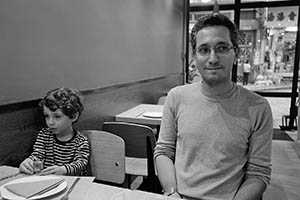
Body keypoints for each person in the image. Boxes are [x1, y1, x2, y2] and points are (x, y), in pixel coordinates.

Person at [154, 13, 272, 200]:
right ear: (194, 55)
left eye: (222, 48)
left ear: (236, 52)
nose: (213, 58)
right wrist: (172, 193)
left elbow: (259, 172)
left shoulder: (258, 107)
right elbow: (163, 152)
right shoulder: (176, 97)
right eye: (204, 50)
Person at [19, 87, 89, 176]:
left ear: (73, 116)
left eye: (57, 116)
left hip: (72, 183)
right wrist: (29, 162)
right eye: (47, 116)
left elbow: (81, 163)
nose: (50, 122)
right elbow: (38, 155)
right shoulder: (44, 135)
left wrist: (63, 170)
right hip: (49, 182)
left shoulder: (81, 141)